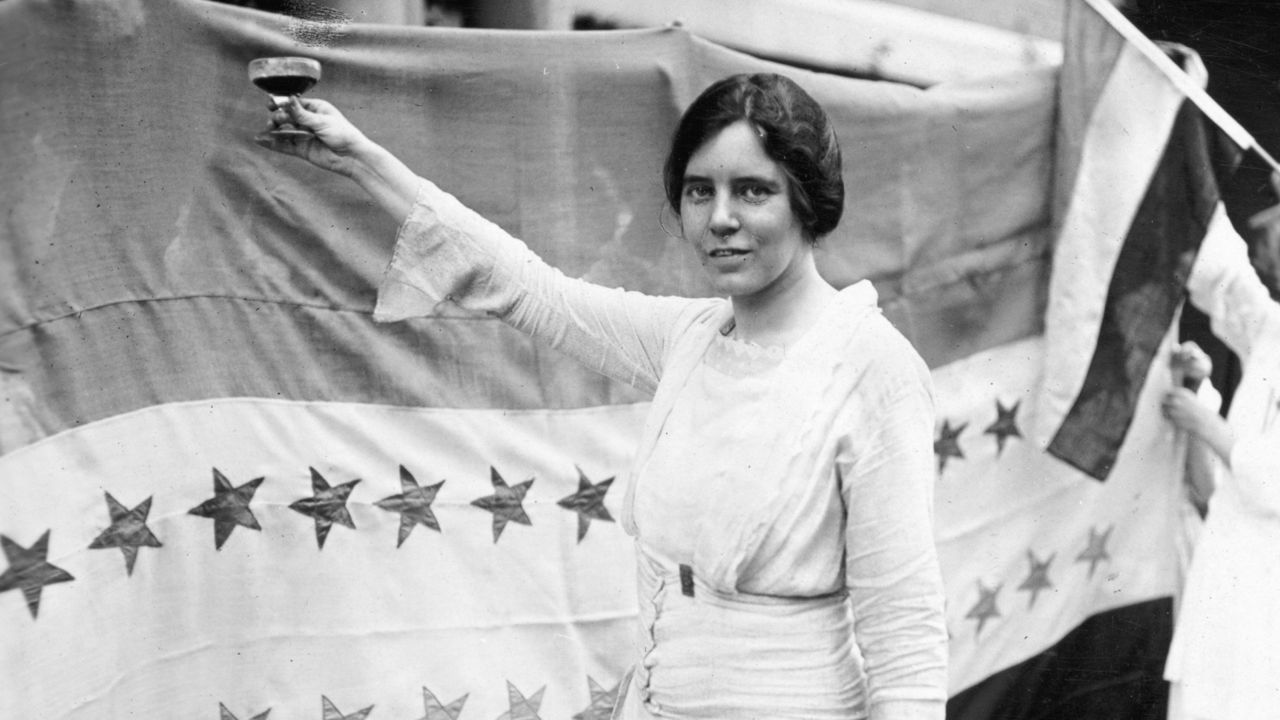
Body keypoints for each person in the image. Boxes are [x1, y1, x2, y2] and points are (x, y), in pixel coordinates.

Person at [257, 73, 948, 719]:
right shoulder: (690, 340)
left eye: (754, 190)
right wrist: (362, 160)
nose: (721, 218)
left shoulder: (872, 368)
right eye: (700, 190)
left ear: (808, 199)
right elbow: (532, 289)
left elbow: (906, 640)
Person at [1160, 211, 1280, 720]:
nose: (1262, 248)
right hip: (1229, 586)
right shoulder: (1275, 333)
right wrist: (1202, 391)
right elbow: (1229, 286)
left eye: (1272, 235)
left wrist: (1207, 426)